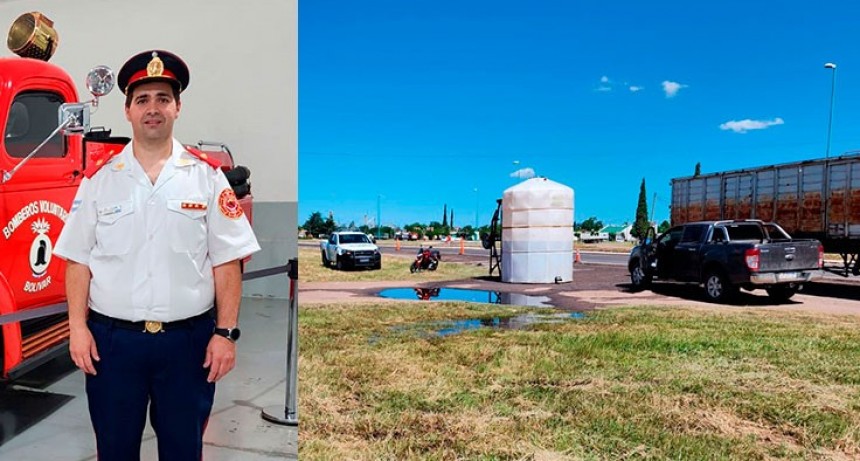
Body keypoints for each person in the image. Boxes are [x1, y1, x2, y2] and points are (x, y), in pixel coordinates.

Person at [54, 49, 260, 461]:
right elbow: (77, 260)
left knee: (183, 451)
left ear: (177, 108)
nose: (153, 108)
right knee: (114, 450)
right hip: (113, 345)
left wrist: (225, 334)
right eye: (142, 99)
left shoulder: (206, 177)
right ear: (128, 110)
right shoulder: (99, 180)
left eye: (163, 99)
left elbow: (228, 261)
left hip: (187, 345)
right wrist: (77, 327)